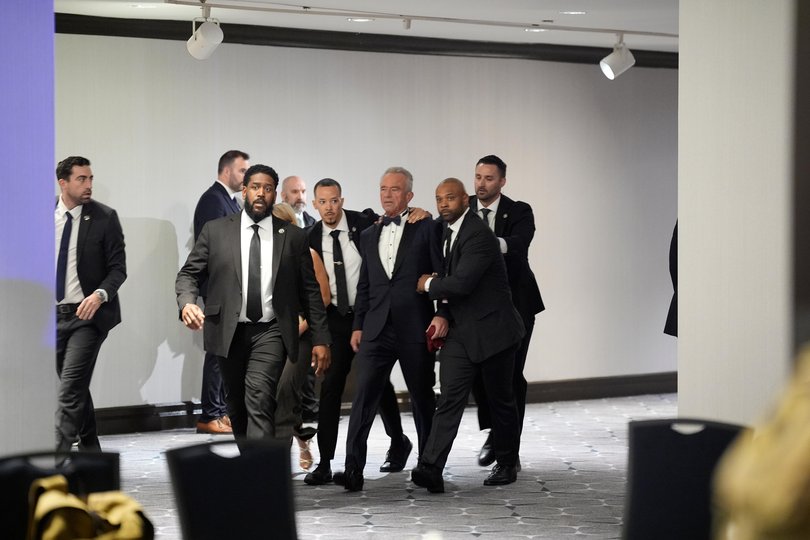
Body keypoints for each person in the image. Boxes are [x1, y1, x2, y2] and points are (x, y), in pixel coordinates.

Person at [175, 164, 331, 442]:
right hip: (228, 330)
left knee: (258, 396)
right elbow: (189, 273)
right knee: (237, 406)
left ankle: (262, 467)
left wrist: (320, 339)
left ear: (275, 195)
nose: (261, 193)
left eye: (268, 188)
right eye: (256, 187)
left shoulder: (292, 236)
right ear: (245, 191)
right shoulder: (216, 231)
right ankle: (253, 462)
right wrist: (187, 303)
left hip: (271, 330)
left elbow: (310, 292)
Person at [303, 177, 426, 486]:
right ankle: (326, 463)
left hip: (370, 315)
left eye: (334, 201)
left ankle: (398, 441)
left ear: (341, 201)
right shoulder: (310, 237)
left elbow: (399, 222)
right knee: (331, 386)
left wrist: (419, 212)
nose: (329, 208)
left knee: (376, 383)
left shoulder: (364, 223)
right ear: (314, 205)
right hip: (335, 319)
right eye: (322, 202)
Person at [334, 167, 446, 492]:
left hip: (415, 326)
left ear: (409, 195)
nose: (387, 194)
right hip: (376, 329)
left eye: (395, 189)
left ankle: (429, 467)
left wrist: (444, 314)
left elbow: (442, 273)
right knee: (363, 398)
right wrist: (358, 325)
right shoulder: (369, 235)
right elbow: (365, 286)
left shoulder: (426, 227)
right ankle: (353, 469)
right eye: (383, 188)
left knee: (422, 398)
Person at [413, 177, 524, 493]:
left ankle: (507, 463)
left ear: (465, 199)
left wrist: (427, 284)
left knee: (499, 401)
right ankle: (431, 467)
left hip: (495, 332)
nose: (443, 204)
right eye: (438, 199)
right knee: (449, 398)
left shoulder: (478, 234)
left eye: (450, 197)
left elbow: (462, 283)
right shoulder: (444, 229)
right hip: (461, 331)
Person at [468, 154, 544, 467]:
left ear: (502, 181)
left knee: (511, 375)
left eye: (489, 178)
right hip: (475, 307)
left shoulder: (519, 210)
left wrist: (482, 243)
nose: (481, 184)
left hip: (516, 304)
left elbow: (518, 243)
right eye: (478, 177)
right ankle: (494, 431)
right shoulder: (463, 207)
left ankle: (508, 447)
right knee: (478, 372)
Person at [55, 156, 127, 452]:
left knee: (70, 388)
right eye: (81, 179)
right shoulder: (40, 216)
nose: (88, 185)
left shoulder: (104, 217)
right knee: (74, 384)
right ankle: (90, 447)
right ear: (63, 183)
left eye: (91, 178)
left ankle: (55, 459)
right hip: (51, 317)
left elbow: (118, 269)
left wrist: (99, 295)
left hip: (87, 316)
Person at [191, 150, 250, 435]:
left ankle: (221, 412)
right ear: (227, 171)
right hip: (219, 288)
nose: (246, 177)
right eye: (242, 171)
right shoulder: (213, 200)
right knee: (217, 352)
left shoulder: (229, 201)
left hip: (230, 288)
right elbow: (215, 246)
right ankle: (210, 415)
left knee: (226, 353)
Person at [272, 202, 330, 470]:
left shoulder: (309, 254)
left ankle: (278, 462)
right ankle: (300, 436)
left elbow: (323, 297)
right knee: (278, 392)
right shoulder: (265, 256)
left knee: (286, 388)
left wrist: (302, 328)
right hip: (273, 334)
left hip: (302, 335)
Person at [280, 175, 319, 425]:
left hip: (306, 319)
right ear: (284, 195)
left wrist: (304, 323)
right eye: (295, 191)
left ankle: (307, 413)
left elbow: (319, 293)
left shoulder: (313, 229)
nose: (300, 196)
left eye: (303, 191)